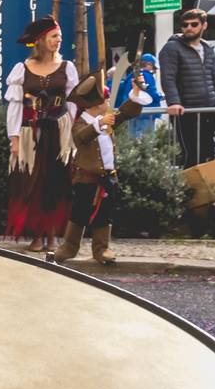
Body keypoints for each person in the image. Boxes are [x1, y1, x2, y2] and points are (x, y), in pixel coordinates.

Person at [58, 70, 151, 264]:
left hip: (107, 177)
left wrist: (135, 92)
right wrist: (99, 124)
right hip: (86, 179)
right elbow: (81, 136)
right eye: (106, 101)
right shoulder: (82, 123)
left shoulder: (106, 119)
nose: (109, 104)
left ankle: (102, 249)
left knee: (104, 215)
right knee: (79, 214)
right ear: (98, 105)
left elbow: (126, 113)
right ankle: (69, 247)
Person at [4, 16, 77, 252]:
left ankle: (53, 235)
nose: (58, 40)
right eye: (54, 36)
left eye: (59, 36)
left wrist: (74, 132)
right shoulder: (22, 69)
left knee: (57, 182)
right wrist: (14, 138)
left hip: (59, 130)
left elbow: (74, 102)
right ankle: (37, 235)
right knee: (32, 184)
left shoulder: (68, 68)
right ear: (41, 40)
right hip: (30, 133)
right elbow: (15, 106)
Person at [158, 8, 215, 167]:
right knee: (190, 155)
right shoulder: (172, 48)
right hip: (186, 110)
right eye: (185, 25)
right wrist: (173, 102)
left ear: (204, 25)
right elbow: (168, 77)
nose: (189, 28)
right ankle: (189, 189)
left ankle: (206, 188)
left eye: (194, 24)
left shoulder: (208, 48)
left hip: (209, 110)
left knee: (207, 153)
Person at [113, 53, 163, 137]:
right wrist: (162, 96)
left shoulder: (131, 75)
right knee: (145, 142)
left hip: (131, 113)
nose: (154, 71)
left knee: (133, 143)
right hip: (146, 115)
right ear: (149, 64)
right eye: (154, 68)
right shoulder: (147, 75)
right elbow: (152, 92)